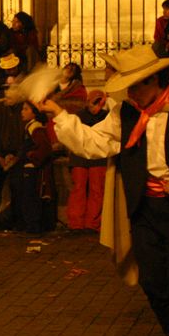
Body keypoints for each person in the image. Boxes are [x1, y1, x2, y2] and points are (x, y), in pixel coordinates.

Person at [38, 45, 169, 336]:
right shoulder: (127, 113)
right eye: (129, 86)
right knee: (153, 281)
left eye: (139, 85)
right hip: (145, 208)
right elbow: (93, 142)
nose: (133, 93)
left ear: (157, 79)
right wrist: (58, 114)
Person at [66, 90, 109, 232]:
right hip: (82, 157)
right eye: (93, 102)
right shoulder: (80, 116)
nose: (96, 107)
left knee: (96, 190)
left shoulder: (105, 116)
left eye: (99, 103)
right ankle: (77, 223)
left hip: (96, 158)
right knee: (80, 189)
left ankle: (91, 223)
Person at [0, 86, 25, 232]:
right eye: (6, 94)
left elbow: (25, 136)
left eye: (10, 94)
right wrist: (0, 156)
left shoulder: (23, 109)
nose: (7, 96)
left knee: (18, 185)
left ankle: (17, 220)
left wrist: (16, 156)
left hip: (18, 155)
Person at [16, 101, 53, 234]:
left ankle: (34, 227)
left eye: (26, 109)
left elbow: (45, 148)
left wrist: (31, 156)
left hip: (33, 169)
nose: (22, 112)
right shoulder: (30, 126)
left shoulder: (35, 128)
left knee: (31, 198)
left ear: (34, 112)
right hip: (30, 167)